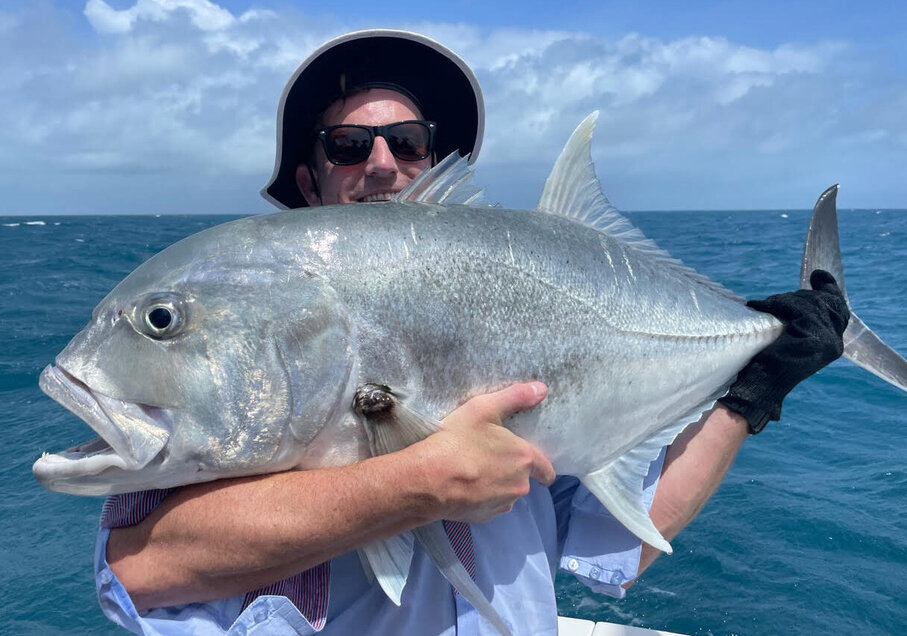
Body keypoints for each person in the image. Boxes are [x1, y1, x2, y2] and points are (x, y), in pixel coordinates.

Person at [95, 30, 849, 634]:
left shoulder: (514, 304)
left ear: (436, 162)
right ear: (309, 180)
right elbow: (140, 568)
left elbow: (616, 540)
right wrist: (412, 483)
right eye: (348, 146)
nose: (383, 165)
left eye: (411, 142)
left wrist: (754, 388)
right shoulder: (244, 345)